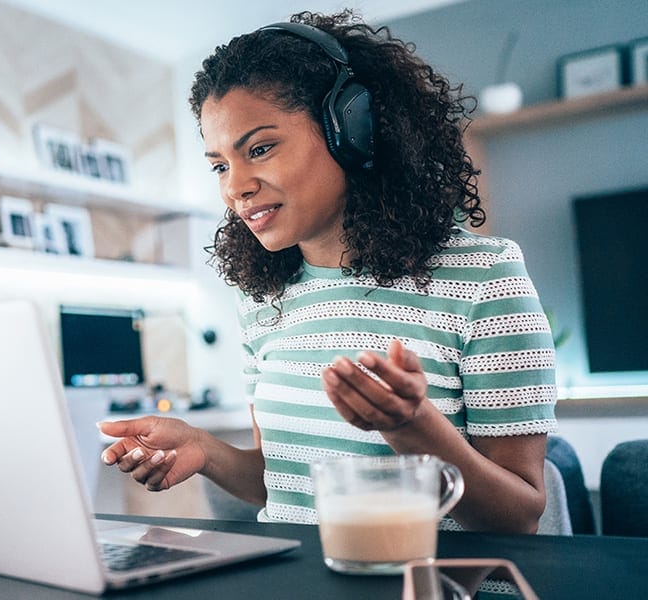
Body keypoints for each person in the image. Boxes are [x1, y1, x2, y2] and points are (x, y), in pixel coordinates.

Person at [98, 10, 557, 534]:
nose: (235, 188)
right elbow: (287, 485)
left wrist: (412, 428)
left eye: (261, 149)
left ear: (351, 131)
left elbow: (519, 516)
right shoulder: (262, 297)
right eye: (221, 165)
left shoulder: (484, 278)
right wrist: (204, 450)